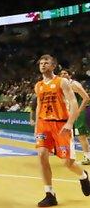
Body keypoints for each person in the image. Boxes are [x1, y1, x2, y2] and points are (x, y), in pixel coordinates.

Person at [33, 55, 90, 207]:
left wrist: (70, 123)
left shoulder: (62, 81)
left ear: (53, 66)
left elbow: (73, 102)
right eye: (41, 63)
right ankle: (49, 194)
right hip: (44, 124)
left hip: (61, 124)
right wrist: (36, 126)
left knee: (68, 163)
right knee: (42, 155)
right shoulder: (38, 85)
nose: (43, 65)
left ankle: (83, 176)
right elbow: (38, 106)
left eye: (46, 63)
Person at [59, 69, 90, 165]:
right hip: (74, 113)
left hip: (82, 111)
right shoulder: (64, 86)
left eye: (65, 73)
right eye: (61, 74)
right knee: (79, 135)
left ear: (70, 75)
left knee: (82, 136)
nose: (63, 75)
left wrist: (78, 111)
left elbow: (86, 98)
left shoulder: (74, 84)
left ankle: (88, 157)